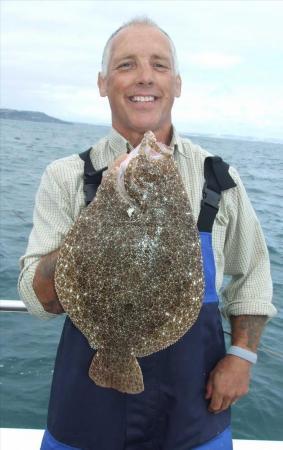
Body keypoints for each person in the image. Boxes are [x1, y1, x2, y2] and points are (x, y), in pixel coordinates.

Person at [18, 17, 276, 450]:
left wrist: (242, 355)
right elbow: (35, 298)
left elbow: (252, 273)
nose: (144, 77)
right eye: (126, 65)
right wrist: (103, 212)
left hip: (193, 404)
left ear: (176, 83)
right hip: (85, 408)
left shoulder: (218, 176)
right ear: (103, 83)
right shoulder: (64, 176)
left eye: (159, 65)